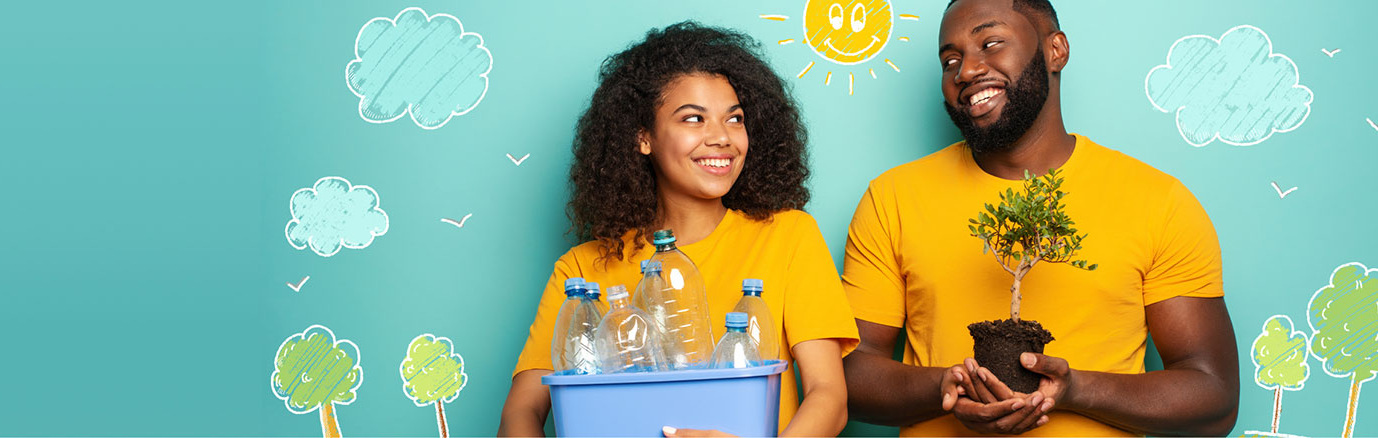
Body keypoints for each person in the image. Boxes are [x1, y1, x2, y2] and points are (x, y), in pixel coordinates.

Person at [839, 0, 1240, 436]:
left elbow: (1213, 398)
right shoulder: (893, 198)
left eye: (990, 43)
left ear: (1056, 51)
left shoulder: (1158, 201)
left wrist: (1075, 390)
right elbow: (850, 377)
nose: (966, 71)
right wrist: (948, 387)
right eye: (950, 60)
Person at [497, 22, 859, 438]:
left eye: (734, 118)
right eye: (693, 119)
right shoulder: (581, 269)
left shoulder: (789, 236)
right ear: (643, 138)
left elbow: (828, 396)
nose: (721, 137)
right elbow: (519, 413)